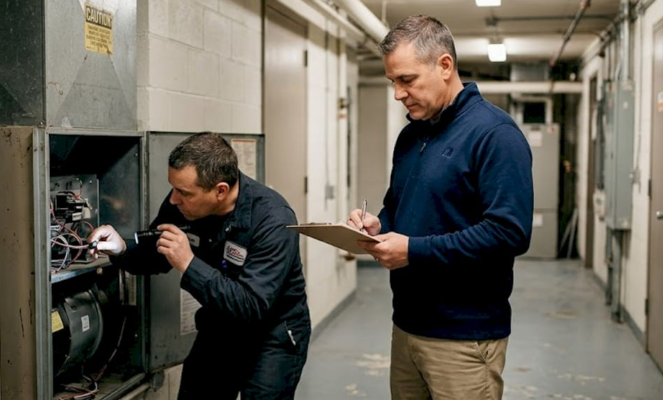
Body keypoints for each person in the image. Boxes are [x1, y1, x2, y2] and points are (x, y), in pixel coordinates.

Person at [346, 15, 533, 400]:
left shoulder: (495, 135)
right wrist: (377, 226)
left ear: (444, 65)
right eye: (392, 82)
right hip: (408, 326)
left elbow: (509, 232)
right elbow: (398, 208)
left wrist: (413, 251)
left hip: (465, 337)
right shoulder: (412, 136)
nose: (398, 93)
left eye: (407, 80)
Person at [89, 132, 310, 400]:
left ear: (220, 191)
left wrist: (189, 263)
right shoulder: (181, 205)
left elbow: (251, 305)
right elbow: (158, 252)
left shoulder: (273, 220)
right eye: (173, 188)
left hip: (272, 335)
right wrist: (122, 248)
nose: (173, 199)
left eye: (183, 192)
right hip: (220, 325)